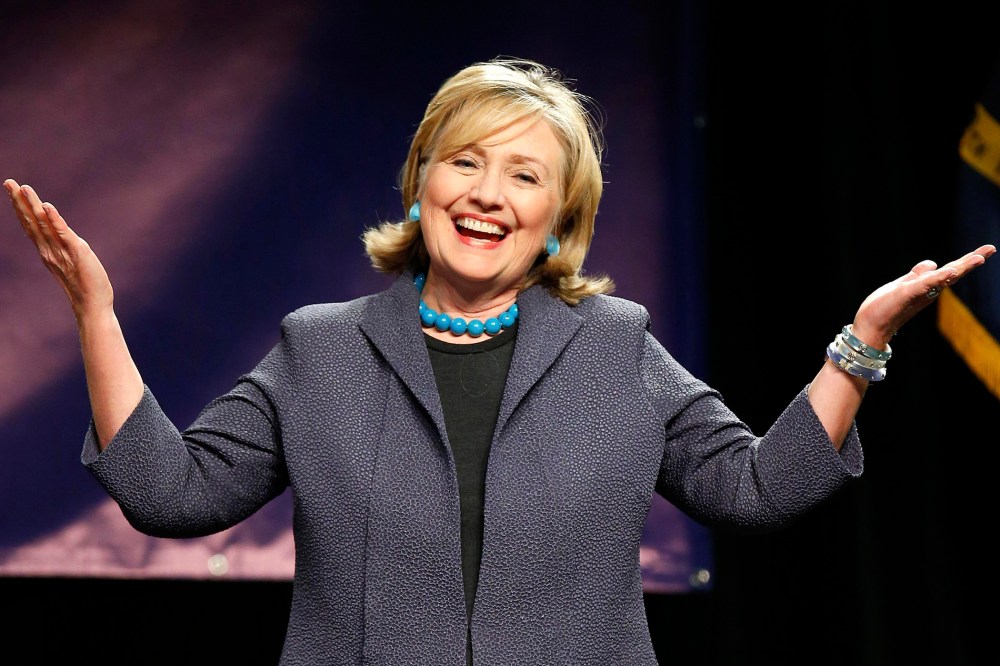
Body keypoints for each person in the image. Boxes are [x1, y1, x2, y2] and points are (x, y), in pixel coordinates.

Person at [5, 56, 995, 666]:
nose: (486, 192)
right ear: (420, 182)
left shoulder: (615, 350)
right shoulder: (321, 348)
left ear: (558, 219)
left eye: (524, 174)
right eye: (464, 160)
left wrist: (859, 345)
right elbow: (167, 495)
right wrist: (96, 312)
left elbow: (758, 489)